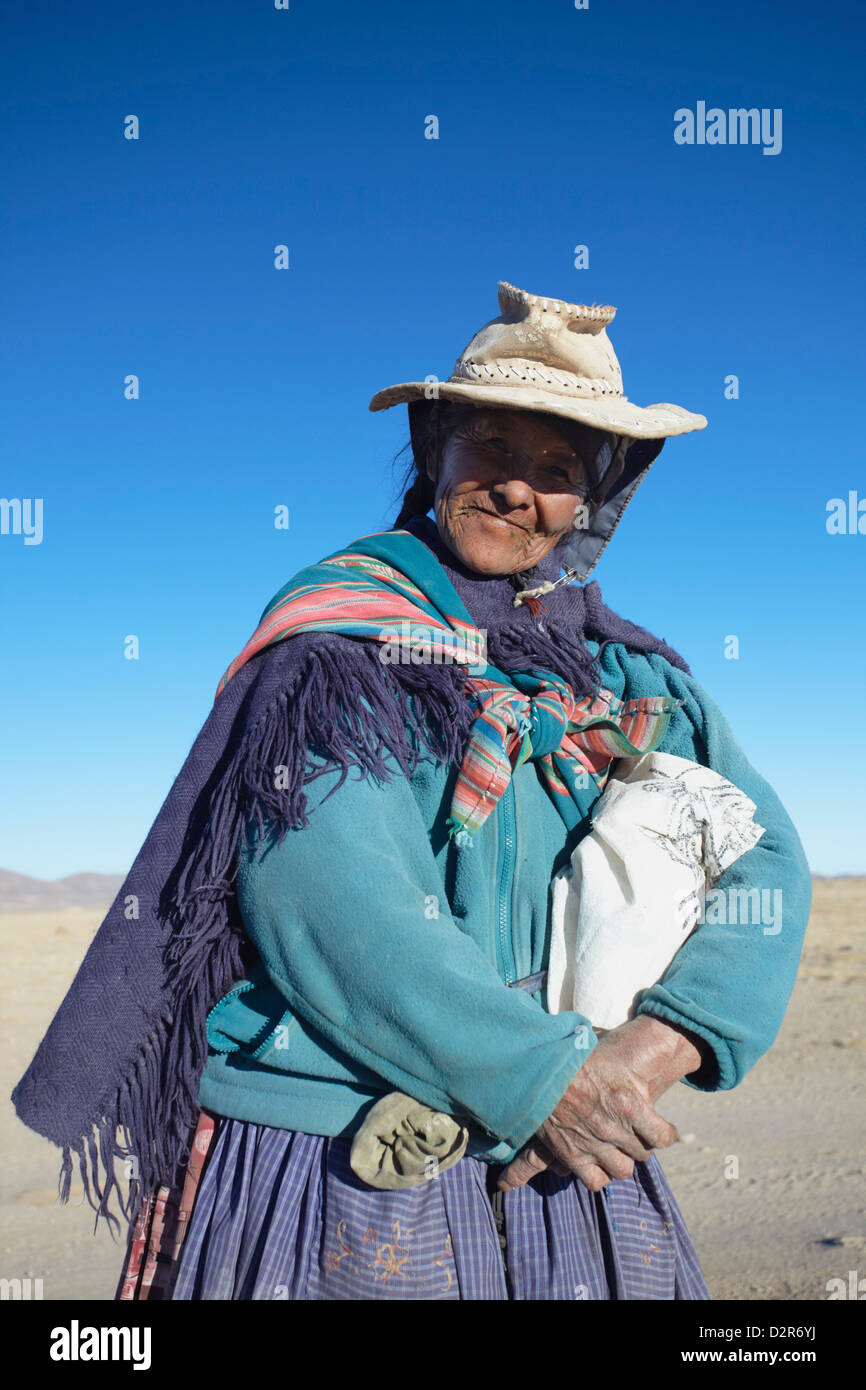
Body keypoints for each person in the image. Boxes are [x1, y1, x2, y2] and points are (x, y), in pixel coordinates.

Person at [12, 280, 812, 1301]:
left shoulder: (627, 675)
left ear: (592, 502)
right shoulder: (345, 642)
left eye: (558, 469)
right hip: (348, 1140)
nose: (520, 490)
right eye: (493, 449)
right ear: (435, 451)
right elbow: (329, 891)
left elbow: (763, 855)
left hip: (573, 1135)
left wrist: (665, 1041)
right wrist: (540, 1078)